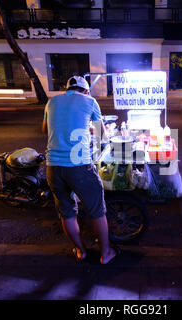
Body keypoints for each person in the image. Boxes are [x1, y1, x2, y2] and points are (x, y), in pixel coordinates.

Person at [42, 75, 119, 265]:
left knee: (67, 213)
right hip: (79, 167)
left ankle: (80, 251)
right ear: (86, 91)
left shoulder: (51, 102)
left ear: (67, 89)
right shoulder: (90, 101)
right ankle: (106, 253)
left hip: (53, 168)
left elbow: (46, 129)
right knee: (97, 210)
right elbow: (102, 134)